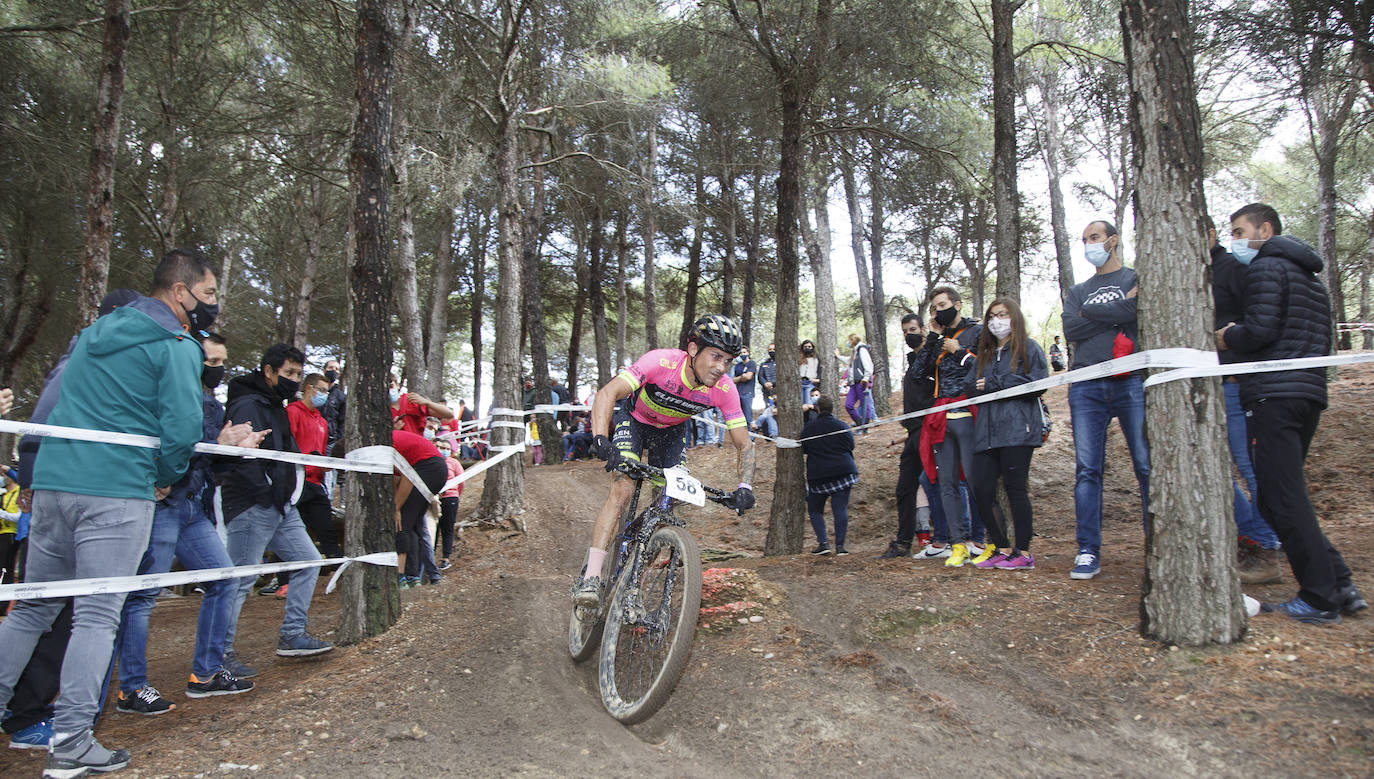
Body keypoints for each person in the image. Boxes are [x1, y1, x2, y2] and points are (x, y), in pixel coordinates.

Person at [0, 248, 214, 775]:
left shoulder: (94, 333)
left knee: (32, 609)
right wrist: (163, 476)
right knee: (96, 616)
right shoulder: (176, 345)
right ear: (179, 291)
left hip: (54, 483)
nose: (212, 305)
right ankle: (71, 742)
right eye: (208, 294)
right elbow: (184, 430)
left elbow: (58, 399)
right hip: (116, 490)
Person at [1217, 203, 1365, 624]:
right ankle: (1340, 583)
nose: (1237, 240)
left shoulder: (1267, 269)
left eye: (1241, 230)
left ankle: (1320, 597)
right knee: (1283, 497)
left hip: (1274, 398)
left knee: (1281, 499)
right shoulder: (1312, 280)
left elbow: (1261, 331)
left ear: (1266, 229)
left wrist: (1229, 336)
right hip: (1308, 395)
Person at [112, 331, 257, 719]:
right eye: (211, 362)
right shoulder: (163, 392)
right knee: (142, 595)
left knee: (224, 579)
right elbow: (162, 443)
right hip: (161, 505)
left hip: (193, 507)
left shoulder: (211, 401)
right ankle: (131, 688)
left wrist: (232, 449)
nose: (219, 369)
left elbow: (205, 458)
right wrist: (153, 478)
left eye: (222, 362)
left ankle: (206, 675)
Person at [573, 314, 756, 606]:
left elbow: (744, 443)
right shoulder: (661, 362)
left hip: (671, 433)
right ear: (694, 349)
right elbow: (608, 392)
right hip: (634, 421)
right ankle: (591, 577)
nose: (722, 368)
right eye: (716, 356)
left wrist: (745, 485)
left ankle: (633, 586)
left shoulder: (724, 389)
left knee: (668, 501)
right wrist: (599, 438)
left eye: (728, 361)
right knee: (622, 490)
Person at [219, 343, 335, 677]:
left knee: (309, 561)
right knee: (240, 579)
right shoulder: (248, 405)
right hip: (253, 503)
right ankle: (218, 654)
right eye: (288, 373)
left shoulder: (276, 405)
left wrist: (283, 493)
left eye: (299, 374)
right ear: (268, 371)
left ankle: (293, 634)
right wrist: (264, 492)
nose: (294, 380)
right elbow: (243, 454)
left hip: (282, 504)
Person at [1061, 220, 1149, 581]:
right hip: (1086, 384)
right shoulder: (1077, 290)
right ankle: (1087, 550)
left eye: (1094, 238)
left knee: (1146, 465)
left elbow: (1135, 314)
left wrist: (1091, 314)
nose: (1088, 245)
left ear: (1113, 241)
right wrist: (1114, 314)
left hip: (1130, 381)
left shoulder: (1133, 278)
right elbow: (1070, 329)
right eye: (1084, 240)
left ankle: (1157, 542)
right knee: (1087, 470)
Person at [1208, 217, 1284, 584]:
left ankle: (1266, 544)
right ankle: (1254, 535)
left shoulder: (1235, 267)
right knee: (1216, 466)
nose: (1236, 239)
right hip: (1210, 383)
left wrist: (1237, 357)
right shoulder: (1200, 272)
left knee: (1248, 465)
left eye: (1240, 232)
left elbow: (1258, 323)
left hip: (1239, 382)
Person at [966, 299, 1048, 570]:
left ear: (1014, 318)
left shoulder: (1028, 347)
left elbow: (1038, 383)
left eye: (1003, 314)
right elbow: (971, 386)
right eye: (992, 316)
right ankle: (1000, 546)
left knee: (1015, 489)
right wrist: (977, 387)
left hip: (1017, 430)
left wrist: (996, 383)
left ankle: (1023, 552)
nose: (997, 320)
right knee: (981, 489)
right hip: (986, 433)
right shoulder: (985, 355)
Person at [921, 287, 985, 568]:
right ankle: (957, 544)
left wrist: (959, 352)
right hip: (940, 417)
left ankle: (979, 540)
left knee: (974, 479)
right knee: (946, 482)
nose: (938, 311)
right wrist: (934, 336)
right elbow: (917, 371)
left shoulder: (976, 332)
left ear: (957, 305)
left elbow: (983, 367)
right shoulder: (938, 338)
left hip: (969, 412)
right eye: (934, 308)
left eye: (942, 305)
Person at [879, 314, 936, 558]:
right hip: (912, 432)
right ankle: (903, 541)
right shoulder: (913, 361)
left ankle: (950, 538)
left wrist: (933, 337)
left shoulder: (931, 356)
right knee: (905, 488)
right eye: (904, 331)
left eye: (912, 329)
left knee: (936, 485)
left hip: (929, 430)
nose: (908, 334)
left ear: (923, 329)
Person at [288, 373, 343, 558]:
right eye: (321, 390)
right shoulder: (292, 412)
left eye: (326, 391)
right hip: (295, 482)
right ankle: (282, 579)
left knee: (326, 528)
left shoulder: (322, 421)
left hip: (316, 482)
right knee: (294, 529)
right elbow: (288, 445)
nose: (324, 395)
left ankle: (336, 565)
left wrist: (325, 465)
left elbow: (320, 452)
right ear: (309, 388)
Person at [800, 396, 857, 556]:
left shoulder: (809, 428)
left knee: (814, 509)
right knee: (840, 509)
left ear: (817, 409)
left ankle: (823, 543)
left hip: (820, 475)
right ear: (832, 409)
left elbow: (803, 448)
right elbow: (850, 445)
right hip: (843, 471)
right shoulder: (842, 425)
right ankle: (840, 546)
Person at [392, 429, 449, 588]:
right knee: (415, 526)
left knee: (402, 522)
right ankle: (413, 576)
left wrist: (396, 507)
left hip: (429, 469)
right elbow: (392, 477)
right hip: (434, 468)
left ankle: (400, 575)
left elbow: (407, 478)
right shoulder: (390, 442)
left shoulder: (386, 444)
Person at [435, 439, 464, 570]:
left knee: (447, 528)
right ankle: (429, 556)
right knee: (433, 529)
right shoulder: (433, 462)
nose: (444, 450)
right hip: (434, 499)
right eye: (441, 447)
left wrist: (454, 493)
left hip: (450, 499)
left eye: (447, 448)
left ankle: (446, 558)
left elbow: (461, 481)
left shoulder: (454, 463)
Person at [842, 334, 877, 428]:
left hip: (861, 382)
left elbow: (868, 365)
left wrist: (866, 378)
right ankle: (859, 422)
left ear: (853, 340)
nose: (848, 343)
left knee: (865, 404)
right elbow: (848, 361)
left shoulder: (862, 349)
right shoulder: (855, 351)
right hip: (853, 383)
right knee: (848, 405)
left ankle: (865, 425)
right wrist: (838, 356)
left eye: (849, 340)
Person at [732, 345, 758, 431]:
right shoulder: (738, 365)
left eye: (744, 352)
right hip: (738, 393)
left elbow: (748, 376)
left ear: (748, 353)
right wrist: (741, 377)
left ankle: (751, 437)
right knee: (740, 417)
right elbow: (733, 380)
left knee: (748, 416)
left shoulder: (752, 363)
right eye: (741, 353)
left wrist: (742, 377)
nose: (742, 354)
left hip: (748, 393)